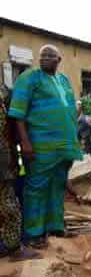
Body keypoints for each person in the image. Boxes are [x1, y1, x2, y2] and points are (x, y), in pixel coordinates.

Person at [9, 45, 83, 247]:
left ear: (59, 59)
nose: (45, 59)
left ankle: (55, 226)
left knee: (58, 186)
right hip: (41, 144)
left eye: (50, 56)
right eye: (42, 55)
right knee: (36, 187)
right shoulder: (29, 78)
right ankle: (33, 233)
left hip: (64, 146)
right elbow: (18, 113)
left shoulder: (64, 80)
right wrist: (25, 142)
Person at [0, 85, 40, 260]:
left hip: (10, 163)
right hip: (5, 166)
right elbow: (9, 135)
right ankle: (14, 248)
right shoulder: (8, 102)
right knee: (10, 207)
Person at [78, 89, 91, 156]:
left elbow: (79, 109)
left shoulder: (80, 100)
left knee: (81, 135)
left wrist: (76, 118)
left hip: (86, 119)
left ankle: (88, 152)